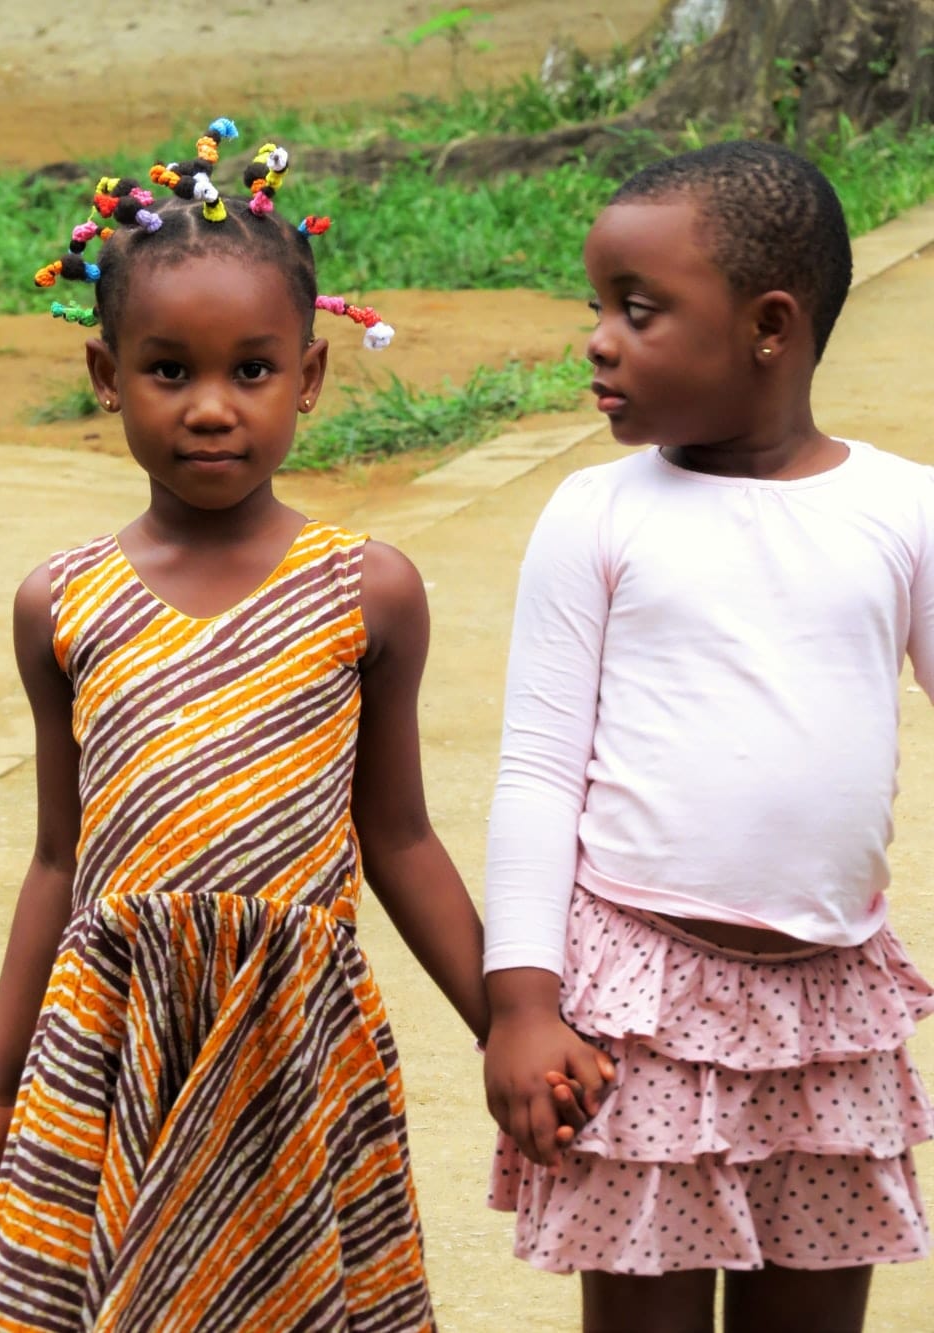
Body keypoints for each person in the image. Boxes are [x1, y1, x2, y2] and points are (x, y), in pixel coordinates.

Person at [0, 120, 488, 1332]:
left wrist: (508, 1028)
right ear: (103, 376)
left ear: (310, 378)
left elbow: (399, 839)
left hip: (291, 1044)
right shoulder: (61, 603)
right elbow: (57, 859)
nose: (209, 409)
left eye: (251, 370)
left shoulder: (368, 588)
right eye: (166, 370)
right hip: (114, 1044)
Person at [481, 139, 934, 1333]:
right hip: (638, 1013)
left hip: (829, 1010)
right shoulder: (597, 512)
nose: (598, 340)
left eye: (638, 311)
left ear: (769, 326)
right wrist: (524, 1003)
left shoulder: (901, 510)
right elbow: (536, 769)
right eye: (598, 309)